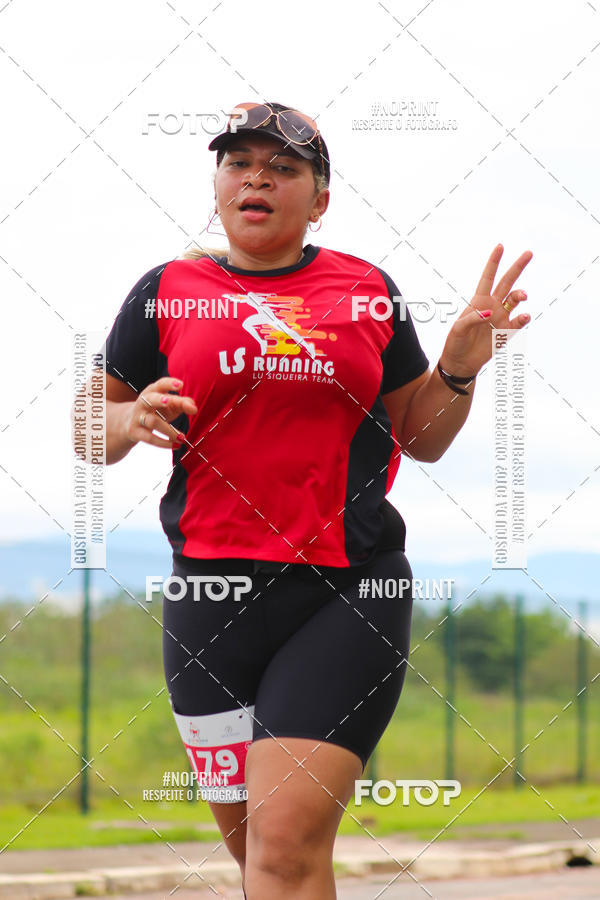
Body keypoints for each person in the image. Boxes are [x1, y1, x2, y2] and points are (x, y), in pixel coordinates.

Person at [89, 101, 532, 899]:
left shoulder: (366, 291)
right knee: (261, 860)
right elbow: (91, 428)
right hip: (209, 600)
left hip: (348, 589)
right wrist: (127, 418)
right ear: (218, 186)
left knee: (287, 847)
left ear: (319, 200)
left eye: (283, 168)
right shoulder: (165, 291)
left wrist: (458, 370)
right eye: (238, 163)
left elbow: (422, 437)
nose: (255, 179)